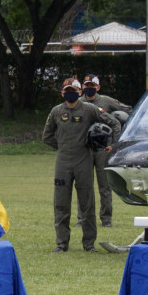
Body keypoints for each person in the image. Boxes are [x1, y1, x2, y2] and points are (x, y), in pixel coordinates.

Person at [43, 77, 120, 252]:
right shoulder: (56, 112)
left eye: (74, 90)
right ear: (62, 93)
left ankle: (89, 244)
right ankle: (62, 243)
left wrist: (111, 144)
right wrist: (63, 147)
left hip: (83, 160)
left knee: (87, 203)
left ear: (80, 92)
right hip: (62, 162)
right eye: (67, 90)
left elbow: (114, 123)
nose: (70, 93)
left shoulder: (90, 109)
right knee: (61, 203)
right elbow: (46, 136)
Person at [79, 74, 130, 228]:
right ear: (82, 87)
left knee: (104, 186)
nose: (89, 88)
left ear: (98, 87)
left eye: (92, 86)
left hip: (103, 149)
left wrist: (114, 143)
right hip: (85, 149)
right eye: (86, 85)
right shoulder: (78, 102)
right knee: (83, 185)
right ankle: (82, 218)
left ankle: (106, 219)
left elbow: (126, 111)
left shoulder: (106, 101)